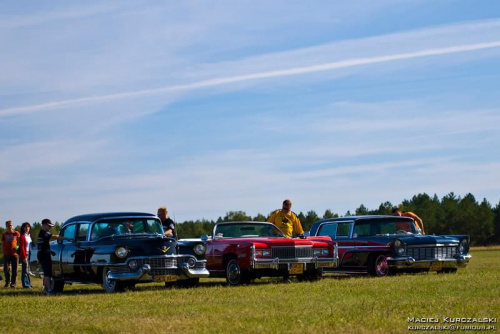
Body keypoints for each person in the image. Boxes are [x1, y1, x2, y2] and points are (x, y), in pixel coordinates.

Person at [37, 218, 72, 295]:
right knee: (47, 274)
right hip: (44, 256)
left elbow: (43, 246)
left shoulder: (41, 234)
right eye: (49, 226)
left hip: (42, 254)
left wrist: (50, 251)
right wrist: (67, 238)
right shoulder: (44, 233)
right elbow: (55, 236)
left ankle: (44, 290)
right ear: (44, 225)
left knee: (46, 273)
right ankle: (49, 290)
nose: (50, 228)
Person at [2, 220, 20, 288]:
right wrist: (3, 250)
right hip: (6, 253)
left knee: (14, 269)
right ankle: (7, 282)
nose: (10, 227)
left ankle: (13, 283)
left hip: (14, 254)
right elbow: (3, 243)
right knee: (6, 269)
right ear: (6, 226)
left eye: (11, 225)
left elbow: (19, 243)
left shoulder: (16, 233)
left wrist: (17, 248)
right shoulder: (4, 234)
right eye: (8, 225)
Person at [19, 222, 32, 289]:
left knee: (28, 270)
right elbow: (22, 248)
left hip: (29, 255)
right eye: (25, 227)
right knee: (24, 270)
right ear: (23, 228)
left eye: (28, 227)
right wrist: (24, 257)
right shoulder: (22, 236)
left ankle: (28, 283)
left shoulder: (28, 236)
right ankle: (25, 284)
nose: (27, 228)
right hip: (25, 255)